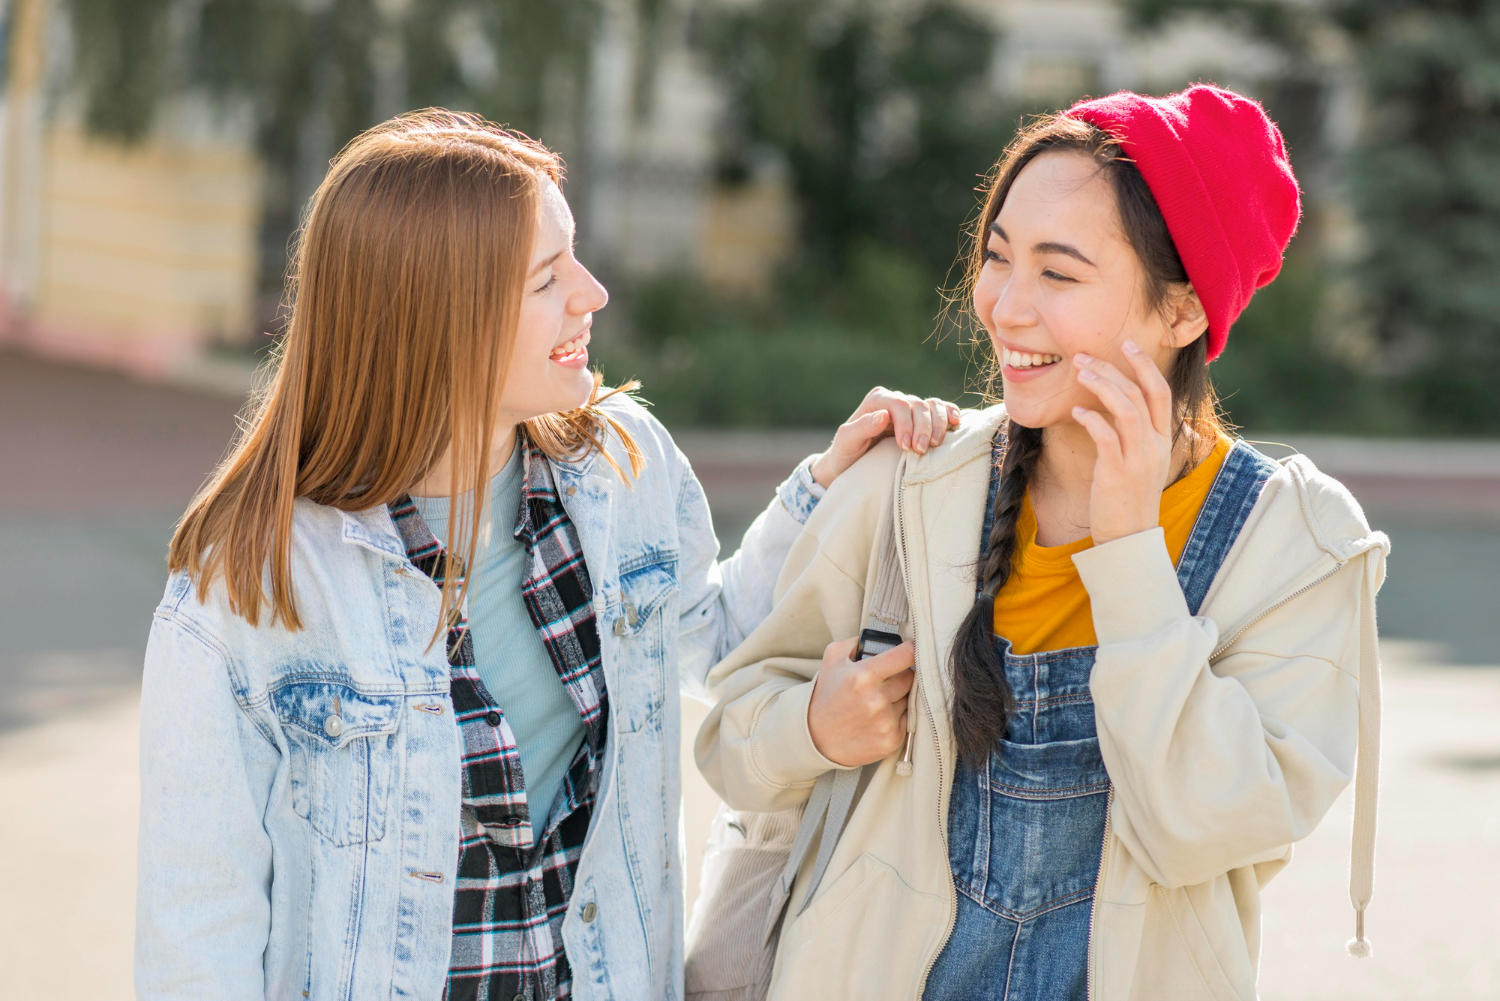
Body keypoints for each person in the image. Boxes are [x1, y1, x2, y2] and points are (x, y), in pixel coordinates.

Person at [134, 108, 959, 1001]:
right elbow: (197, 932)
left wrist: (825, 485)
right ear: (435, 315)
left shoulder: (619, 468)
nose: (592, 292)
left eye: (576, 257)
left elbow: (709, 638)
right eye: (546, 278)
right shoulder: (249, 581)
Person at [696, 84, 1389, 1001]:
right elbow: (728, 739)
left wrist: (1133, 544)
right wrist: (812, 728)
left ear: (1182, 313)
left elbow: (1206, 825)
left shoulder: (1294, 544)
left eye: (1058, 274)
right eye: (997, 257)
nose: (1006, 307)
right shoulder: (908, 483)